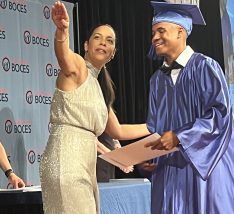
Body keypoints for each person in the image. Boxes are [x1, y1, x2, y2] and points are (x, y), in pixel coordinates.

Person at [39, 1, 150, 214]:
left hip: (85, 165)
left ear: (113, 52)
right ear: (86, 46)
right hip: (66, 162)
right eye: (97, 37)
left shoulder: (99, 90)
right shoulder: (79, 67)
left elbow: (118, 131)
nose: (103, 43)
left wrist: (156, 126)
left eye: (109, 41)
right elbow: (64, 56)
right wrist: (62, 32)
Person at [144, 2, 234, 213]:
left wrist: (180, 136)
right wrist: (148, 157)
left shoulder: (206, 67)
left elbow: (220, 115)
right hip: (170, 172)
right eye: (153, 32)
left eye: (161, 31)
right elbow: (155, 128)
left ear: (180, 32)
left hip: (205, 169)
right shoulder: (156, 81)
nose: (154, 38)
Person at [220, 0, 234, 84]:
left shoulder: (226, 16)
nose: (225, 2)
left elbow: (229, 38)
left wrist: (230, 58)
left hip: (227, 54)